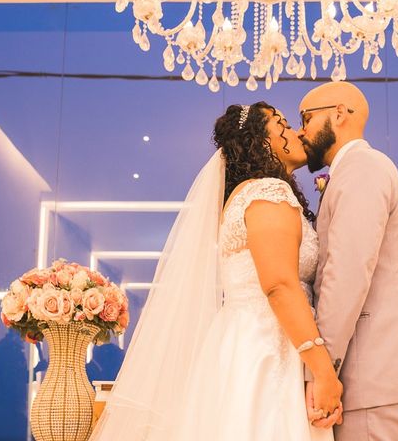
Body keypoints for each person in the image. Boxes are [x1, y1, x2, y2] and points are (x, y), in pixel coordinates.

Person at [89, 101, 341, 441]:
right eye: (281, 124)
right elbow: (280, 286)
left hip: (244, 345)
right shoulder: (268, 192)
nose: (296, 131)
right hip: (267, 350)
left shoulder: (246, 195)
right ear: (260, 141)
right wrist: (324, 370)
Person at [298, 82, 398, 441]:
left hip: (370, 372)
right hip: (366, 376)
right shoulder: (351, 171)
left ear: (338, 114)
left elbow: (347, 275)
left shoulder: (363, 167)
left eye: (306, 118)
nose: (301, 131)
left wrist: (320, 371)